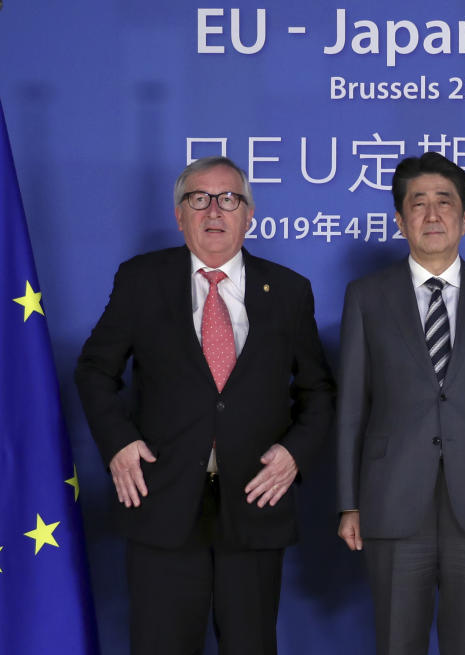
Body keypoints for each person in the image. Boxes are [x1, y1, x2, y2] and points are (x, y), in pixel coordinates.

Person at [75, 156, 335, 655]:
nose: (214, 210)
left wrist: (294, 454)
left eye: (229, 199)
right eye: (199, 198)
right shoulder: (141, 280)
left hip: (255, 503)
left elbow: (318, 390)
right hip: (163, 501)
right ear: (179, 215)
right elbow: (93, 371)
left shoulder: (287, 290)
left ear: (249, 215)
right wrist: (119, 442)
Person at [336, 152, 465, 655]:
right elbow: (352, 410)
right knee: (397, 642)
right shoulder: (366, 296)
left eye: (444, 203)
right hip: (391, 498)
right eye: (417, 204)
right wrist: (348, 501)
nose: (431, 215)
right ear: (400, 220)